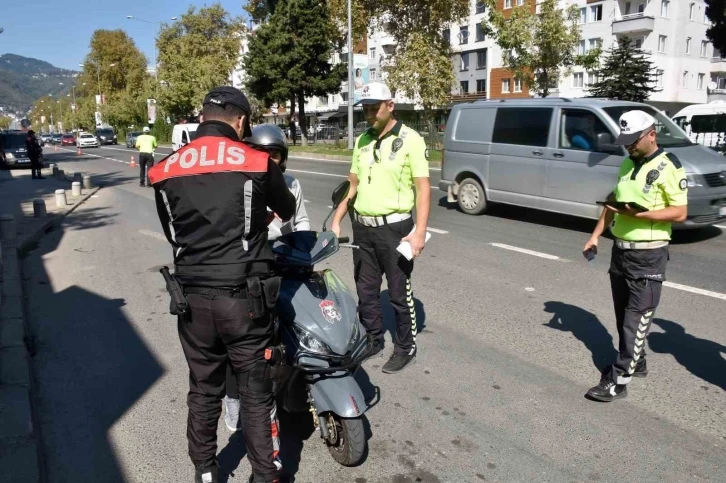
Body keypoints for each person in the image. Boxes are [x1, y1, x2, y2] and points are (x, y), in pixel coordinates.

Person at [148, 86, 296, 483]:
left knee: (203, 388)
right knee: (255, 391)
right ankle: (265, 474)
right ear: (242, 120)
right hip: (245, 299)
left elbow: (173, 232)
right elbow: (288, 209)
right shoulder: (256, 161)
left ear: (202, 117)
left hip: (191, 300)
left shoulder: (166, 168)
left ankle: (205, 471)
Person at [582, 110, 688, 402]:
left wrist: (641, 214)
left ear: (652, 134)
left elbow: (680, 212)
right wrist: (595, 235)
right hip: (621, 253)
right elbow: (614, 203)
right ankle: (635, 361)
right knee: (622, 316)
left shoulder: (669, 167)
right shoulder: (627, 163)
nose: (628, 146)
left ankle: (618, 381)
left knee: (635, 321)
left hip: (649, 256)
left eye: (634, 140)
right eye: (625, 140)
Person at [330, 82, 431, 375]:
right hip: (363, 227)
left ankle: (405, 348)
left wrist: (420, 232)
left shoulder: (411, 139)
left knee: (399, 293)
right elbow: (352, 185)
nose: (370, 113)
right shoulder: (362, 141)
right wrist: (337, 221)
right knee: (366, 290)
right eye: (365, 108)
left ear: (391, 105)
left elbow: (423, 189)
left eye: (375, 107)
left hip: (396, 228)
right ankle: (373, 339)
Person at [220, 123, 311, 433]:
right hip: (250, 265)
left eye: (275, 156)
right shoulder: (242, 185)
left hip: (285, 259)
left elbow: (300, 222)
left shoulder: (291, 183)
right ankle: (233, 398)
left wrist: (307, 250)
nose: (270, 162)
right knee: (243, 338)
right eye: (263, 155)